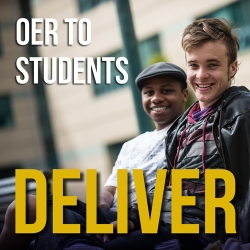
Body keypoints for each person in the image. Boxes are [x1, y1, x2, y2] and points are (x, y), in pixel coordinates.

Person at [0, 62, 188, 250]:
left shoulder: (191, 137)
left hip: (147, 222)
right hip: (108, 216)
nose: (156, 98)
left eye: (166, 91)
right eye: (149, 93)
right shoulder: (131, 145)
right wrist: (102, 201)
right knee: (24, 206)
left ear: (184, 95)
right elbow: (110, 189)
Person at [103, 17, 250, 250]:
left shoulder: (243, 112)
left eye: (212, 65)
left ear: (232, 67)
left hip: (205, 236)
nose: (201, 75)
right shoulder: (181, 127)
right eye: (193, 65)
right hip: (166, 224)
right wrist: (132, 218)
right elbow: (164, 187)